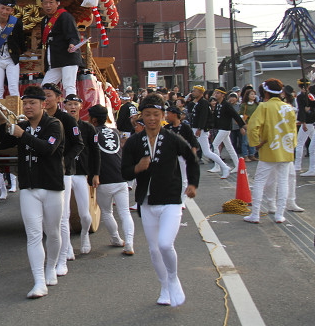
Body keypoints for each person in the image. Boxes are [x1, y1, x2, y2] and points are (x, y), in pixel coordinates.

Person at [121, 93, 199, 308]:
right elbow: (124, 171)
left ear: (163, 115)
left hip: (171, 200)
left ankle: (173, 279)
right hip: (147, 202)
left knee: (165, 244)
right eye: (147, 114)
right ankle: (164, 286)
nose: (152, 118)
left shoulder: (172, 139)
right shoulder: (134, 142)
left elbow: (191, 158)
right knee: (154, 249)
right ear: (141, 117)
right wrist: (138, 168)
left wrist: (193, 184)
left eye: (156, 114)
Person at [0, 85, 64, 299]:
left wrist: (23, 135)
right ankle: (39, 281)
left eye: (32, 103)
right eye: (25, 103)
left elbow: (48, 149)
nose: (27, 107)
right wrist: (1, 123)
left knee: (53, 233)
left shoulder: (54, 124)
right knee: (33, 235)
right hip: (28, 188)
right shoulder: (22, 125)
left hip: (52, 187)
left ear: (43, 104)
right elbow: (1, 144)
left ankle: (51, 267)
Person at [41, 85, 84, 276]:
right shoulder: (39, 118)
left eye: (48, 96)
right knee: (46, 218)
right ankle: (60, 250)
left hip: (64, 172)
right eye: (43, 96)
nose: (46, 99)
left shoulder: (67, 119)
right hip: (44, 172)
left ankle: (63, 257)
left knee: (63, 216)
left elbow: (78, 144)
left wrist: (64, 161)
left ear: (58, 98)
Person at [244, 79, 298, 224]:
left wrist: (256, 143)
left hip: (269, 149)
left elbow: (252, 127)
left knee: (260, 181)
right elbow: (293, 130)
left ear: (266, 92)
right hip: (286, 150)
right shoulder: (289, 108)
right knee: (283, 181)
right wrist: (292, 146)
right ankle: (279, 215)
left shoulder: (264, 106)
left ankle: (255, 214)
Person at [88, 104, 135, 255]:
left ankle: (116, 239)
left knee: (107, 212)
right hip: (121, 177)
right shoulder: (115, 131)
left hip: (104, 179)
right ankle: (129, 243)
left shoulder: (92, 132)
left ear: (93, 120)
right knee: (125, 213)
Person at [61, 94, 99, 258]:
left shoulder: (88, 128)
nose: (72, 107)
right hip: (65, 172)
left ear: (81, 106)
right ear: (64, 106)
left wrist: (95, 173)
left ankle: (85, 235)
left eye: (75, 104)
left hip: (81, 173)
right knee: (65, 214)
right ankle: (67, 246)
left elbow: (96, 152)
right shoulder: (60, 125)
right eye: (69, 104)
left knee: (85, 214)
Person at [39, 0, 84, 96]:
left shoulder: (65, 16)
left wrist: (72, 44)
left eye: (51, 2)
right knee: (44, 88)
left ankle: (71, 106)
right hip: (54, 60)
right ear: (42, 5)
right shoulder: (44, 20)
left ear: (57, 3)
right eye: (45, 3)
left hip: (67, 58)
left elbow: (73, 34)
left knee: (69, 85)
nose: (48, 6)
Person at [190, 85, 229, 179]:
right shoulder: (197, 102)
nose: (193, 92)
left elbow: (203, 117)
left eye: (195, 91)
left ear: (200, 93)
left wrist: (200, 128)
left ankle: (224, 167)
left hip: (200, 130)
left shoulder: (203, 103)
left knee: (207, 152)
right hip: (195, 128)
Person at [208, 86, 245, 175]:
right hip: (221, 128)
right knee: (229, 147)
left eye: (217, 93)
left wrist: (241, 126)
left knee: (215, 144)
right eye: (215, 93)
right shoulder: (218, 104)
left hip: (225, 128)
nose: (215, 94)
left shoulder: (226, 105)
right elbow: (215, 118)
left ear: (223, 95)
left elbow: (235, 115)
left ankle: (217, 166)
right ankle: (237, 165)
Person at [294, 79, 315, 176]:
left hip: (308, 122)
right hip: (311, 122)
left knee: (301, 143)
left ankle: (298, 165)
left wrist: (303, 122)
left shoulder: (305, 96)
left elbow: (302, 110)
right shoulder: (308, 96)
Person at [239, 88, 259, 162]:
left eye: (254, 94)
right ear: (247, 95)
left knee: (253, 140)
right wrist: (242, 125)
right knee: (245, 141)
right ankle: (245, 155)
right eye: (252, 94)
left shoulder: (257, 105)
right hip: (246, 125)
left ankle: (252, 154)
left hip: (255, 125)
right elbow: (241, 115)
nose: (253, 96)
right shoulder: (244, 105)